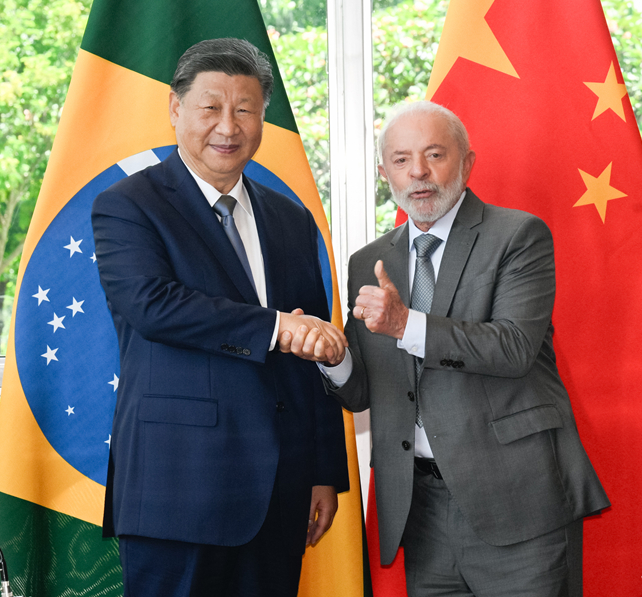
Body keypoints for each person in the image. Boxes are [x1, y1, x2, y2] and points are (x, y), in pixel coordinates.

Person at [313, 101, 609, 597]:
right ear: (385, 173)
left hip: (517, 502)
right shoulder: (370, 261)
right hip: (421, 510)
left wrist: (406, 324)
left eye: (434, 155)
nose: (418, 172)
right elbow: (364, 389)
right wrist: (334, 357)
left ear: (467, 163)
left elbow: (513, 347)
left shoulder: (517, 236)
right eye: (402, 160)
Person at [91, 37, 350, 597]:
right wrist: (275, 327)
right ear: (175, 108)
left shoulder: (292, 219)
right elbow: (153, 305)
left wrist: (323, 471)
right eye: (210, 108)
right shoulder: (128, 205)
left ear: (262, 120)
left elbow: (311, 351)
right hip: (177, 489)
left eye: (245, 110)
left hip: (280, 491)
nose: (228, 127)